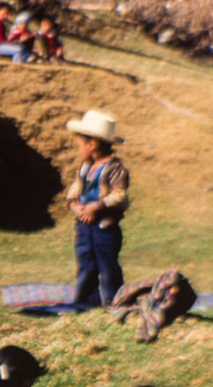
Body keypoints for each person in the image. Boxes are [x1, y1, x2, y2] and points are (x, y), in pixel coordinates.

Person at [65, 110, 129, 309]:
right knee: (86, 264)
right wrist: (75, 207)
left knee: (107, 266)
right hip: (84, 227)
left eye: (79, 145)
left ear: (92, 144)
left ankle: (114, 302)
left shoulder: (114, 169)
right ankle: (86, 303)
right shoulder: (84, 168)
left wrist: (97, 206)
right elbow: (74, 191)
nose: (78, 150)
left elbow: (119, 195)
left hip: (104, 227)